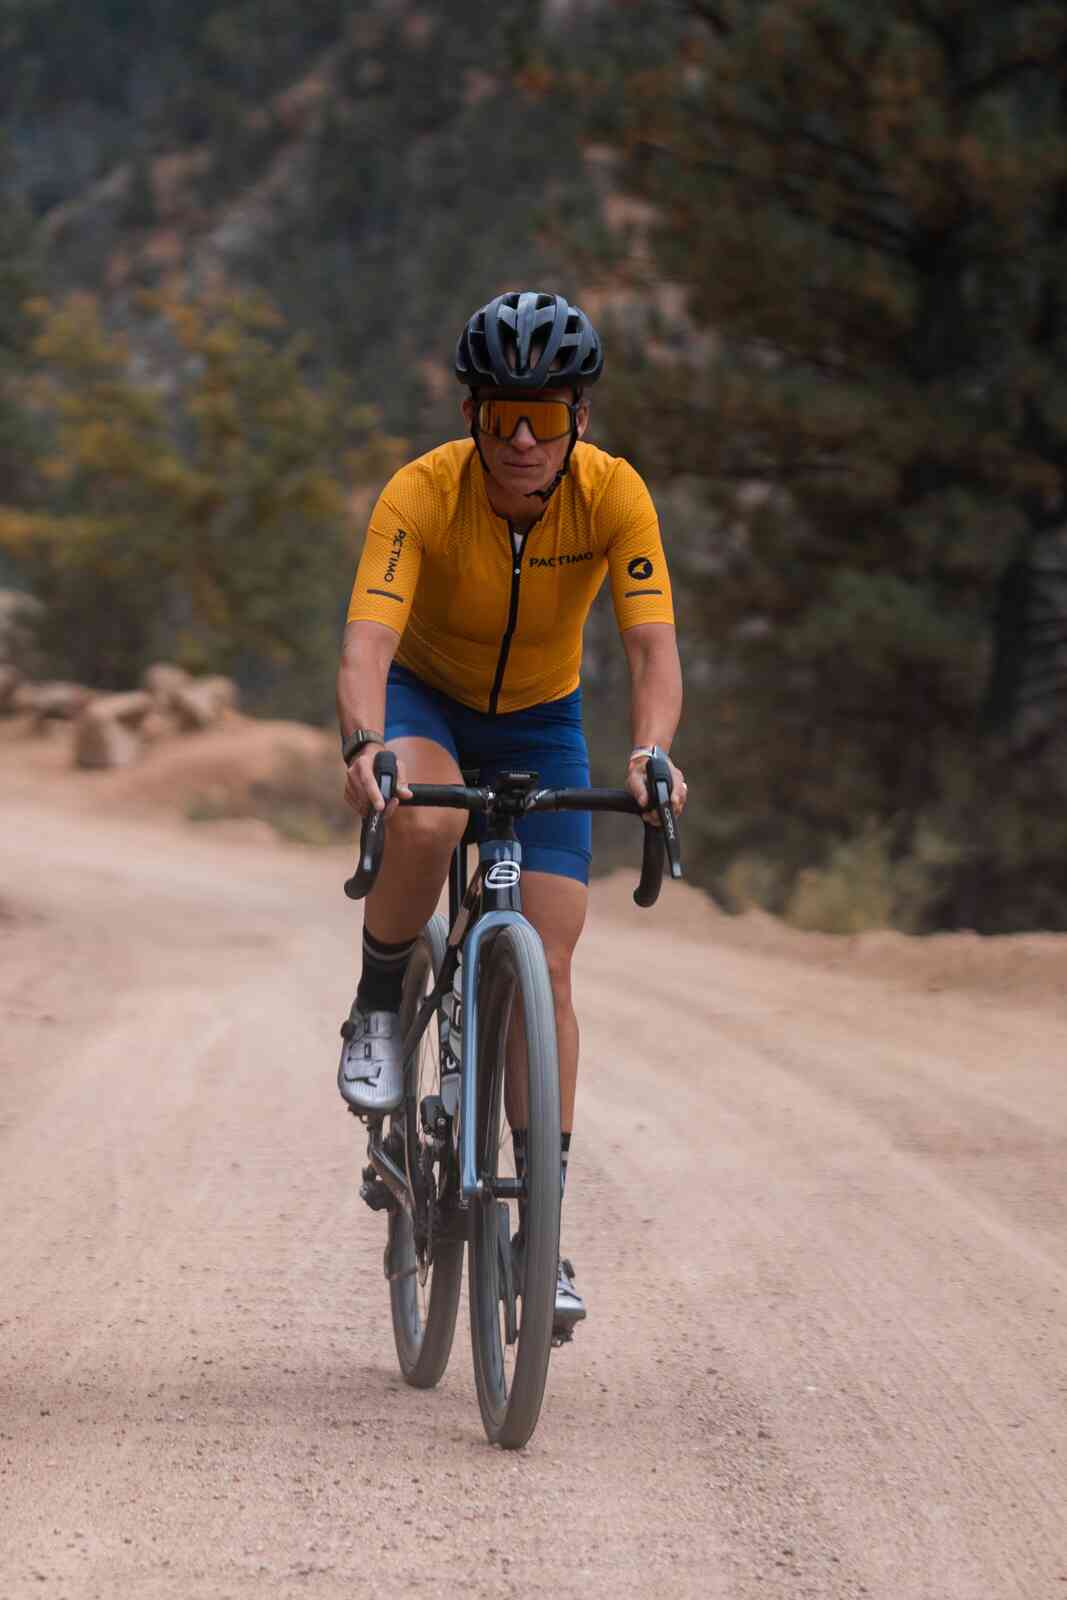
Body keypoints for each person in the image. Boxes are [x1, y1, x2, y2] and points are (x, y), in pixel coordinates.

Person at [336, 289, 686, 1334]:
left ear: (578, 412)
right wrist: (365, 745)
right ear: (470, 418)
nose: (522, 439)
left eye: (543, 414)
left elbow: (650, 650)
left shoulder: (614, 496)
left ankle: (539, 1232)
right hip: (425, 700)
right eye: (500, 416)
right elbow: (366, 645)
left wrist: (651, 751)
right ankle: (379, 1001)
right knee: (430, 822)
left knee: (552, 959)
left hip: (541, 721)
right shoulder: (421, 494)